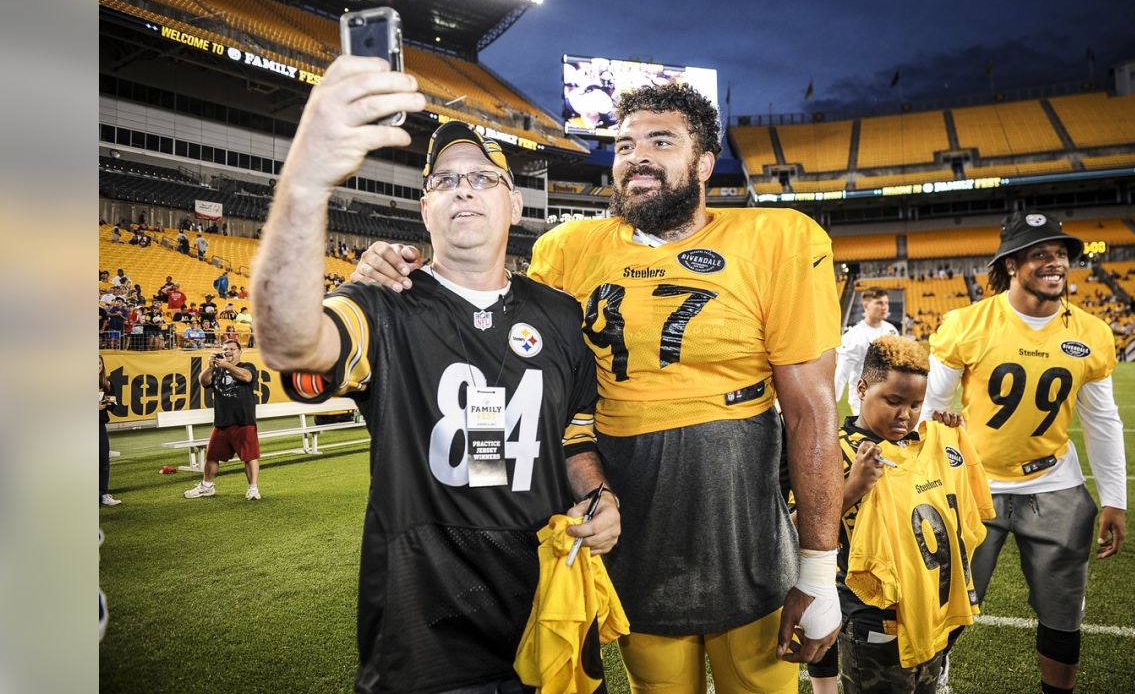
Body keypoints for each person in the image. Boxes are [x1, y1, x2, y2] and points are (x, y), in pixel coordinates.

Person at [355, 82, 844, 690]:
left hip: (741, 529)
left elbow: (812, 412)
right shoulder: (569, 249)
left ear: (703, 164)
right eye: (623, 144)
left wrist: (820, 571)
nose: (636, 155)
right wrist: (399, 270)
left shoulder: (778, 241)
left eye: (660, 141)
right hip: (632, 527)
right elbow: (505, 342)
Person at [250, 56, 621, 693]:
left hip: (544, 603)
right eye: (446, 181)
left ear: (514, 203)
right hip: (423, 621)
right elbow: (288, 343)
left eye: (481, 178)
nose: (463, 190)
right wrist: (307, 184)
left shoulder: (560, 315)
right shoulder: (381, 301)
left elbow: (571, 438)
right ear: (426, 210)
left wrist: (598, 497)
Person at [921, 211, 1126, 694]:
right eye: (1041, 254)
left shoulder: (1091, 331)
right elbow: (931, 407)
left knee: (1063, 614)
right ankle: (935, 678)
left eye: (1060, 254)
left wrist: (1115, 497)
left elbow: (1102, 420)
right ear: (1012, 264)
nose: (1056, 263)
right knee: (942, 603)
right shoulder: (967, 323)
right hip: (974, 483)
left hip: (1054, 483)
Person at [805, 336, 991, 694]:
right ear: (862, 388)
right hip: (873, 615)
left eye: (916, 404)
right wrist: (852, 488)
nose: (905, 415)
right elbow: (794, 529)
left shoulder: (928, 441)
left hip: (931, 615)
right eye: (893, 401)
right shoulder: (832, 449)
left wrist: (952, 439)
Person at [184, 340, 263, 501]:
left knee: (250, 457)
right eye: (225, 349)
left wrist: (226, 365)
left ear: (240, 351)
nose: (228, 351)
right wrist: (211, 367)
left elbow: (247, 377)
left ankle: (253, 489)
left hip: (243, 420)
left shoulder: (248, 366)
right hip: (222, 421)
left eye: (232, 349)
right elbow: (203, 381)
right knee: (212, 456)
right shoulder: (217, 369)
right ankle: (207, 487)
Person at [833, 288, 899, 414]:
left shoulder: (892, 331)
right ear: (866, 306)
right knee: (866, 433)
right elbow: (842, 374)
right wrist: (832, 402)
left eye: (886, 303)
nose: (884, 307)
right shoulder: (853, 336)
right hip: (863, 399)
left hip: (887, 396)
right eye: (879, 303)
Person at [99, 356, 122, 506]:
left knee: (103, 460)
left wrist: (109, 403)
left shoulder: (107, 382)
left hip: (99, 425)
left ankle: (103, 494)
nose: (97, 366)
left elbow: (114, 406)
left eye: (99, 363)